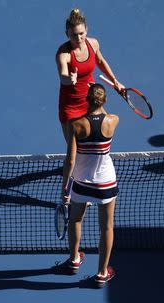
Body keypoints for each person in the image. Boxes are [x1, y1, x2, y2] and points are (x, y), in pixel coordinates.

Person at [60, 83, 119, 287]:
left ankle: (74, 259)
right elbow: (104, 115)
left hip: (82, 183)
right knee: (106, 227)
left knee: (76, 219)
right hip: (106, 183)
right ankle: (102, 273)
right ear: (104, 100)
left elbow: (70, 161)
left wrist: (65, 187)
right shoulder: (114, 120)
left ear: (86, 99)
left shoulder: (75, 125)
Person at [56, 8, 124, 143]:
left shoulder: (93, 43)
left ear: (86, 29)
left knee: (104, 137)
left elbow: (100, 61)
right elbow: (63, 76)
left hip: (91, 101)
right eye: (74, 35)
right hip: (71, 106)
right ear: (67, 34)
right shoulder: (63, 54)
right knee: (74, 152)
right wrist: (70, 79)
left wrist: (115, 81)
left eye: (81, 33)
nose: (78, 38)